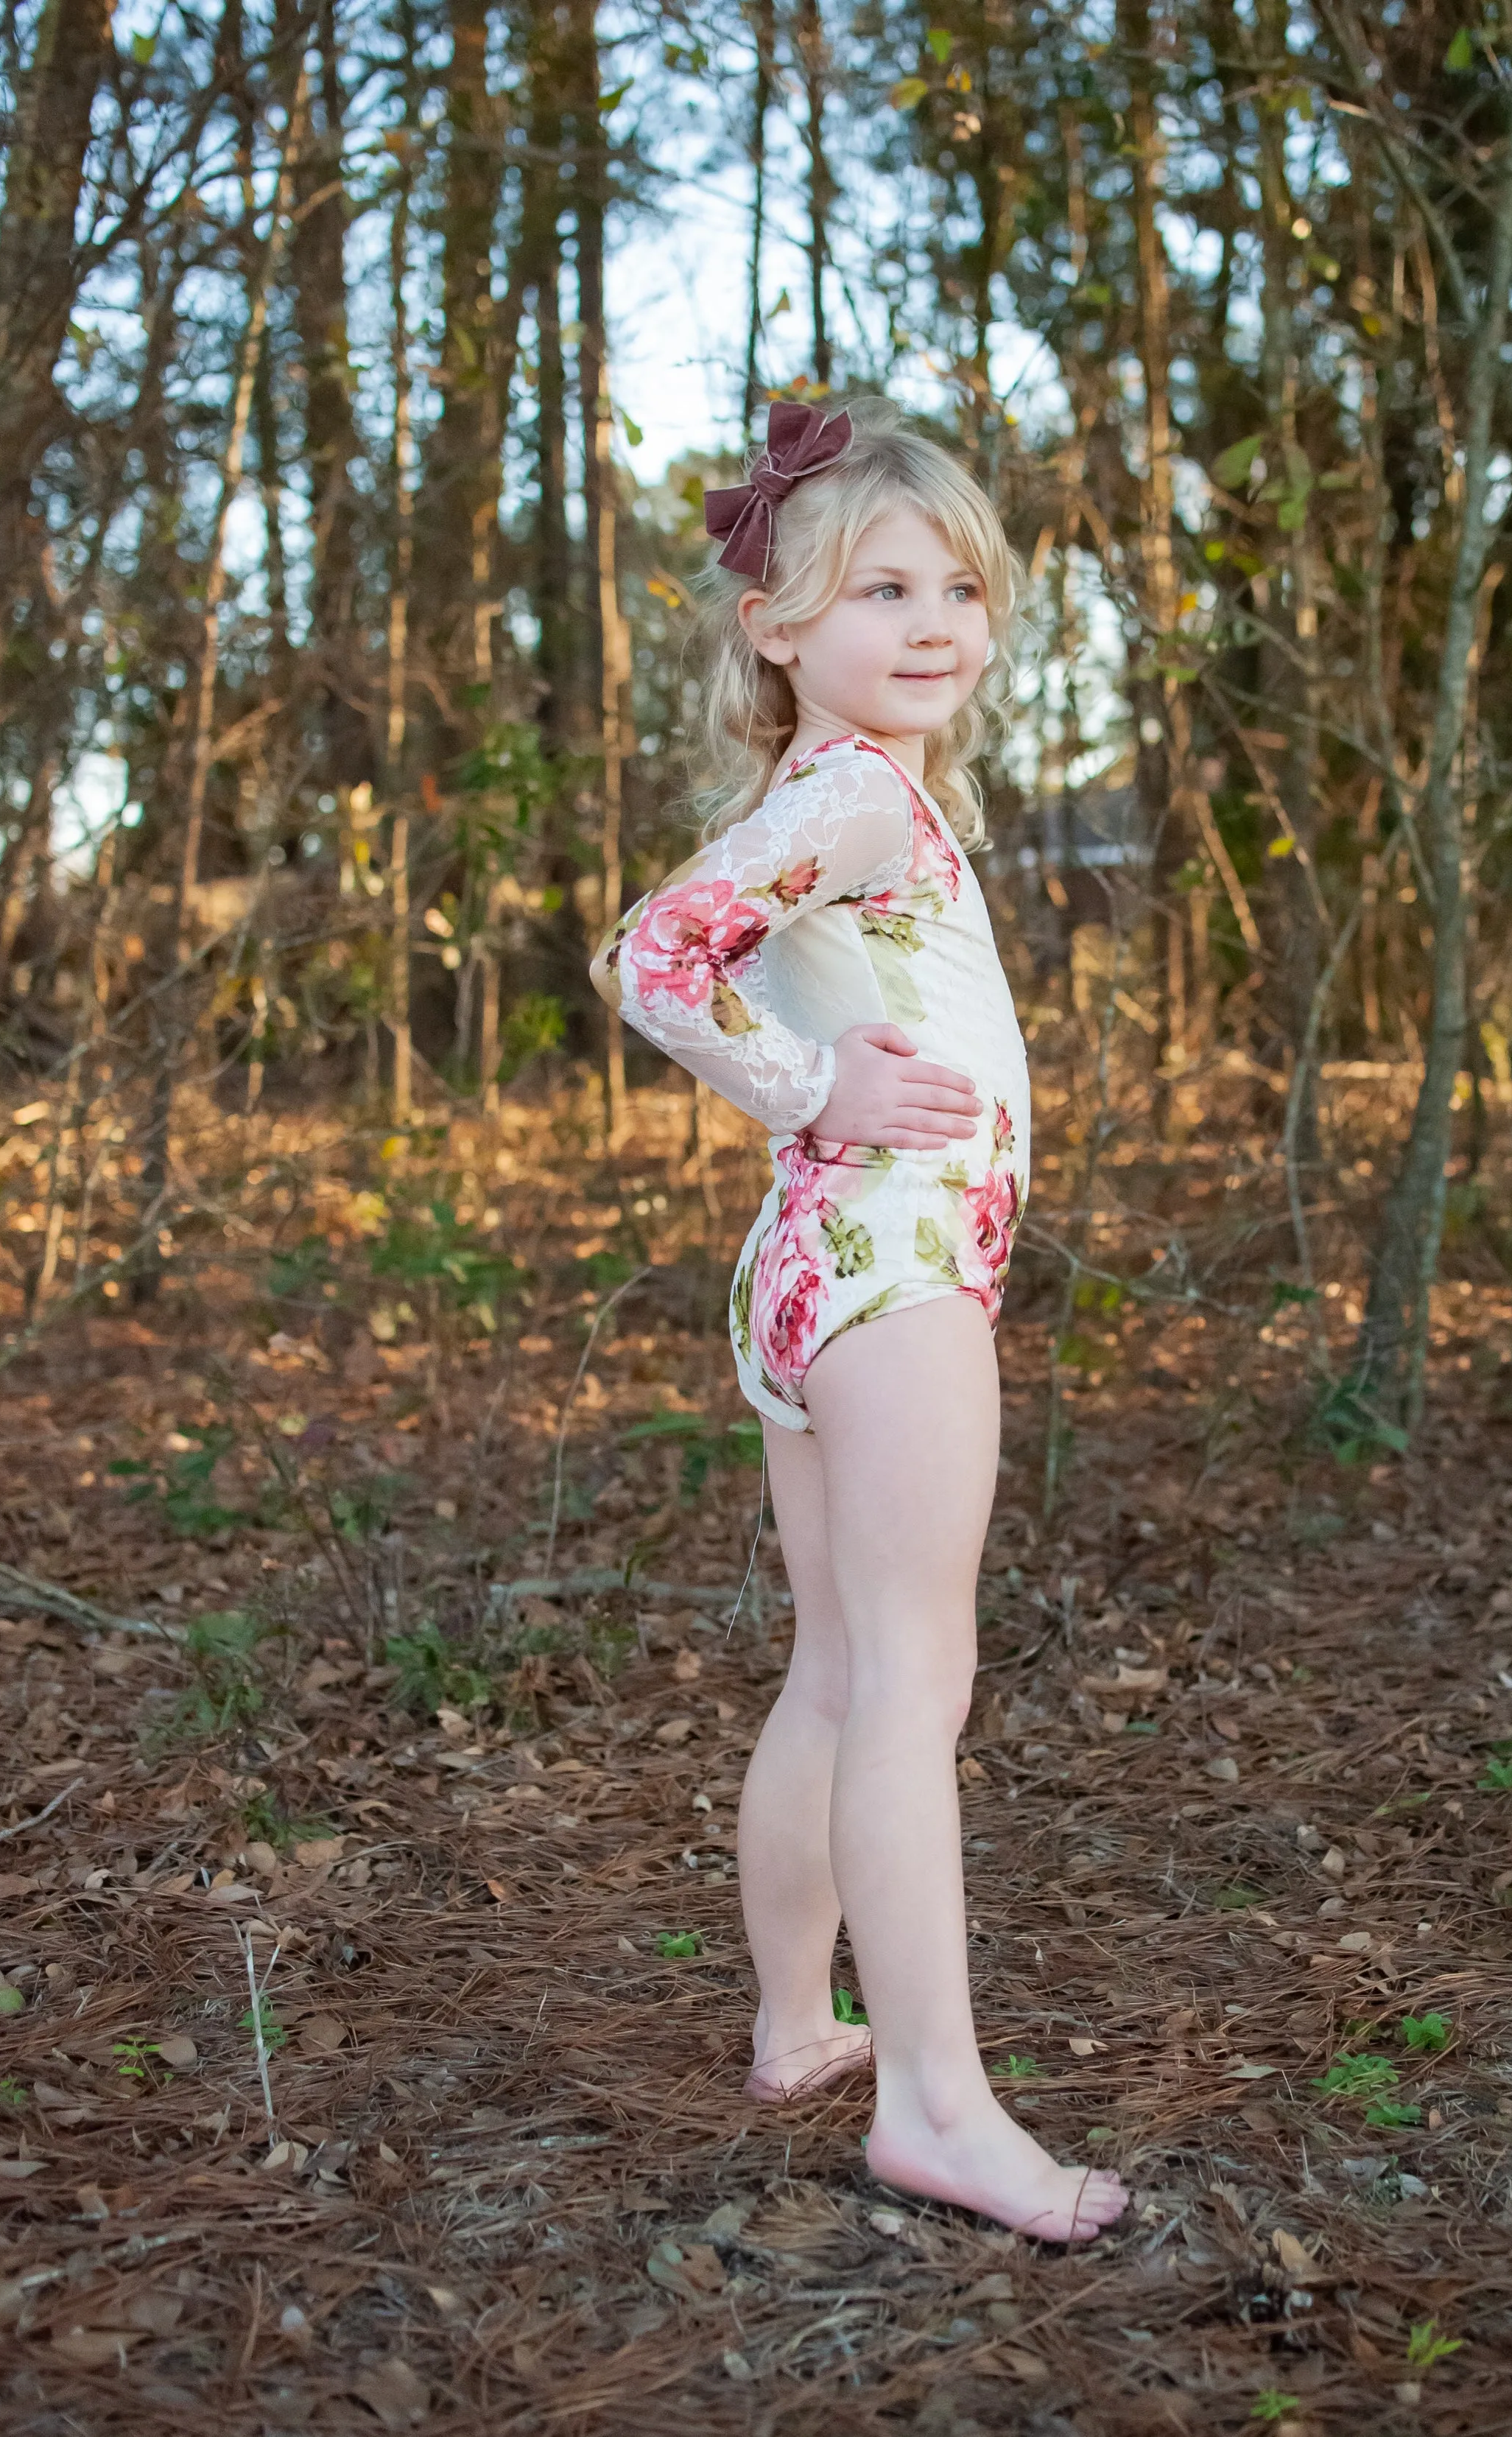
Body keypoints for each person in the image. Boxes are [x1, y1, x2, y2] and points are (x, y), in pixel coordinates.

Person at [591, 398, 1127, 2244]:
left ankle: (796, 2022)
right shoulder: (845, 796)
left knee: (837, 1666)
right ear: (775, 623)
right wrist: (811, 1087)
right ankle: (938, 2102)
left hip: (822, 1263)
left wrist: (813, 1106)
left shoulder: (839, 795)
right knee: (916, 1680)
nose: (936, 619)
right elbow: (650, 957)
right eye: (882, 585)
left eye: (960, 585)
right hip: (886, 1257)